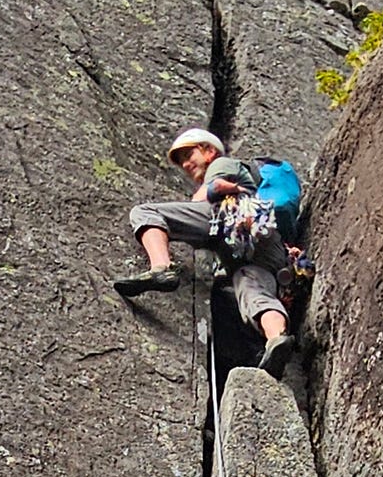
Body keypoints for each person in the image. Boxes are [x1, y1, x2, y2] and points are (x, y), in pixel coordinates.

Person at [114, 125, 295, 378]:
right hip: (266, 247)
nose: (186, 165)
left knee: (145, 212)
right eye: (181, 162)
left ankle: (161, 269)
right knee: (253, 292)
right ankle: (276, 339)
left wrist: (207, 192)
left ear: (209, 150)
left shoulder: (221, 164)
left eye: (189, 155)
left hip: (232, 222)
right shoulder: (242, 174)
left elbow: (206, 199)